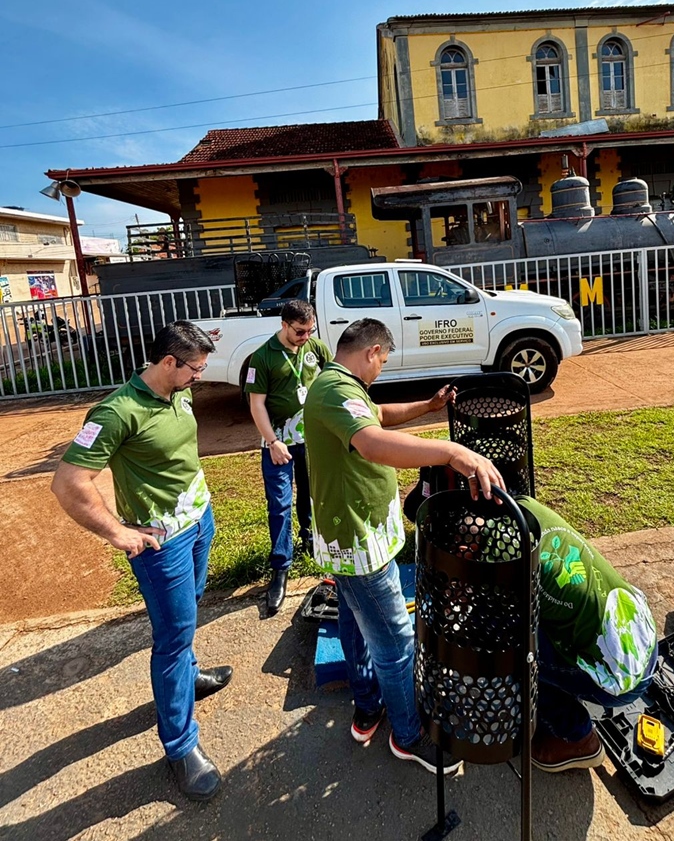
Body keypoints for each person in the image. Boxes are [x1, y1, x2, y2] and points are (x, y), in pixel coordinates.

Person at [303, 317, 505, 775]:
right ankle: (408, 736)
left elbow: (379, 416)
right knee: (394, 641)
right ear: (373, 351)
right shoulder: (335, 390)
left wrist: (429, 406)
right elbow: (372, 442)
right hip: (358, 542)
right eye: (384, 361)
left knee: (357, 624)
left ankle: (368, 707)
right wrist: (454, 452)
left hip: (363, 533)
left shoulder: (341, 386)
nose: (381, 370)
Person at [50, 321, 230, 802]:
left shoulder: (180, 394)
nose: (200, 377)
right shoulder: (115, 412)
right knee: (172, 639)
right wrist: (120, 533)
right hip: (161, 544)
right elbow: (69, 483)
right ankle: (180, 747)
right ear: (168, 362)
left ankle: (190, 682)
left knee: (188, 614)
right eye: (195, 369)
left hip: (198, 523)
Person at [516, 494, 658, 772]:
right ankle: (572, 684)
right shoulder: (525, 507)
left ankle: (576, 739)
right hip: (643, 636)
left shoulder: (506, 563)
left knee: (512, 654)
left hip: (622, 677)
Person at [246, 299, 331, 614]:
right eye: (299, 331)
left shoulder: (316, 348)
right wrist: (272, 442)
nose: (305, 337)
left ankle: (310, 538)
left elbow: (332, 380)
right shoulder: (263, 357)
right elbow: (256, 406)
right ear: (283, 324)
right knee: (280, 505)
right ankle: (281, 566)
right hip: (278, 444)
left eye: (310, 330)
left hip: (312, 440)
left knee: (312, 493)